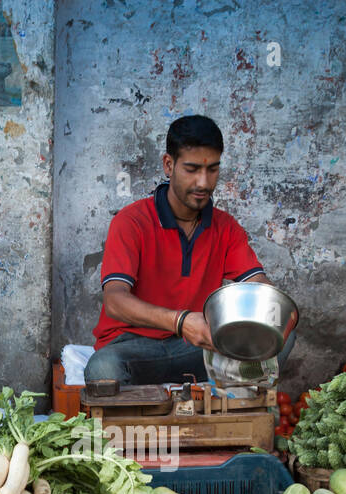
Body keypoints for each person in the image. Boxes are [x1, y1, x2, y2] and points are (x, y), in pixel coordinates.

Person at [84, 114, 296, 385]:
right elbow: (115, 301)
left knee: (282, 336)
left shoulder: (225, 227)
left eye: (213, 170)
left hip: (196, 349)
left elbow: (257, 284)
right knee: (103, 368)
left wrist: (274, 310)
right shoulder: (131, 221)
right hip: (135, 349)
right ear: (168, 165)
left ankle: (234, 412)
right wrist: (180, 321)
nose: (204, 183)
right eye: (192, 169)